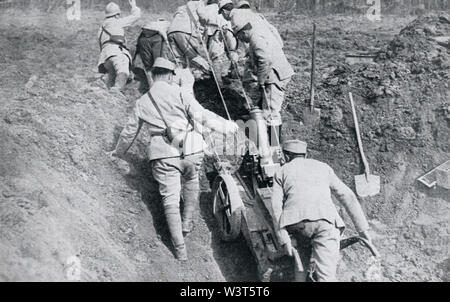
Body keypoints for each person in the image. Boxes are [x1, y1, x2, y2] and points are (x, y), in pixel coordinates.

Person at [109, 58, 239, 261]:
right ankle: (186, 223)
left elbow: (129, 132)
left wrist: (118, 152)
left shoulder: (142, 101)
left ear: (153, 75)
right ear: (170, 75)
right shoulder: (180, 93)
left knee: (169, 198)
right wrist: (225, 126)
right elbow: (201, 115)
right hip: (191, 148)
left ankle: (180, 251)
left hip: (163, 154)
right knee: (191, 181)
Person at [269, 140, 373, 281]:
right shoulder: (324, 167)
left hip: (297, 225)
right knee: (326, 276)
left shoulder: (281, 171)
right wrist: (363, 231)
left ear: (286, 157)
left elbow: (276, 209)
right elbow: (347, 196)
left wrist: (284, 239)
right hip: (326, 222)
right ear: (306, 154)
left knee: (300, 266)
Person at [231, 11, 293, 144]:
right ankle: (268, 143)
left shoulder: (255, 38)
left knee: (270, 113)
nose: (241, 40)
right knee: (267, 109)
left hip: (275, 75)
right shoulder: (260, 32)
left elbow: (265, 59)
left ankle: (273, 149)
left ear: (244, 32)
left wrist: (261, 80)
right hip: (275, 73)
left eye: (240, 37)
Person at [97, 0, 141, 92]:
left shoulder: (101, 28)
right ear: (117, 14)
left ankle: (109, 98)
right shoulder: (116, 22)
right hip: (116, 53)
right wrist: (134, 6)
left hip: (105, 58)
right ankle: (117, 94)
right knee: (123, 72)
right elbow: (136, 16)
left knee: (112, 80)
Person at [166, 0, 211, 80]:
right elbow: (203, 16)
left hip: (171, 31)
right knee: (194, 55)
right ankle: (208, 73)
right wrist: (206, 23)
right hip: (186, 31)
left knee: (178, 59)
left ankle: (178, 80)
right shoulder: (198, 3)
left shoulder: (180, 8)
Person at [197, 0, 238, 85]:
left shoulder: (207, 8)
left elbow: (202, 21)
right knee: (231, 50)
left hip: (215, 32)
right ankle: (231, 73)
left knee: (216, 57)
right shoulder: (226, 5)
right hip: (229, 29)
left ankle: (218, 82)